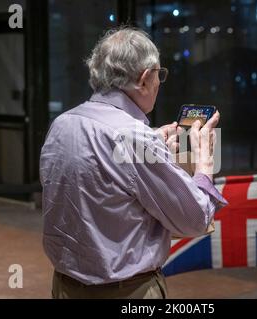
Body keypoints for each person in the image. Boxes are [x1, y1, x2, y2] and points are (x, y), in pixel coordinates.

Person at [39, 27, 227, 299]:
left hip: (65, 287)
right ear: (144, 78)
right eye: (159, 75)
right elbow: (195, 220)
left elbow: (101, 185)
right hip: (127, 293)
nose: (159, 83)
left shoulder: (62, 124)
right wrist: (205, 162)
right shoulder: (133, 138)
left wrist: (153, 147)